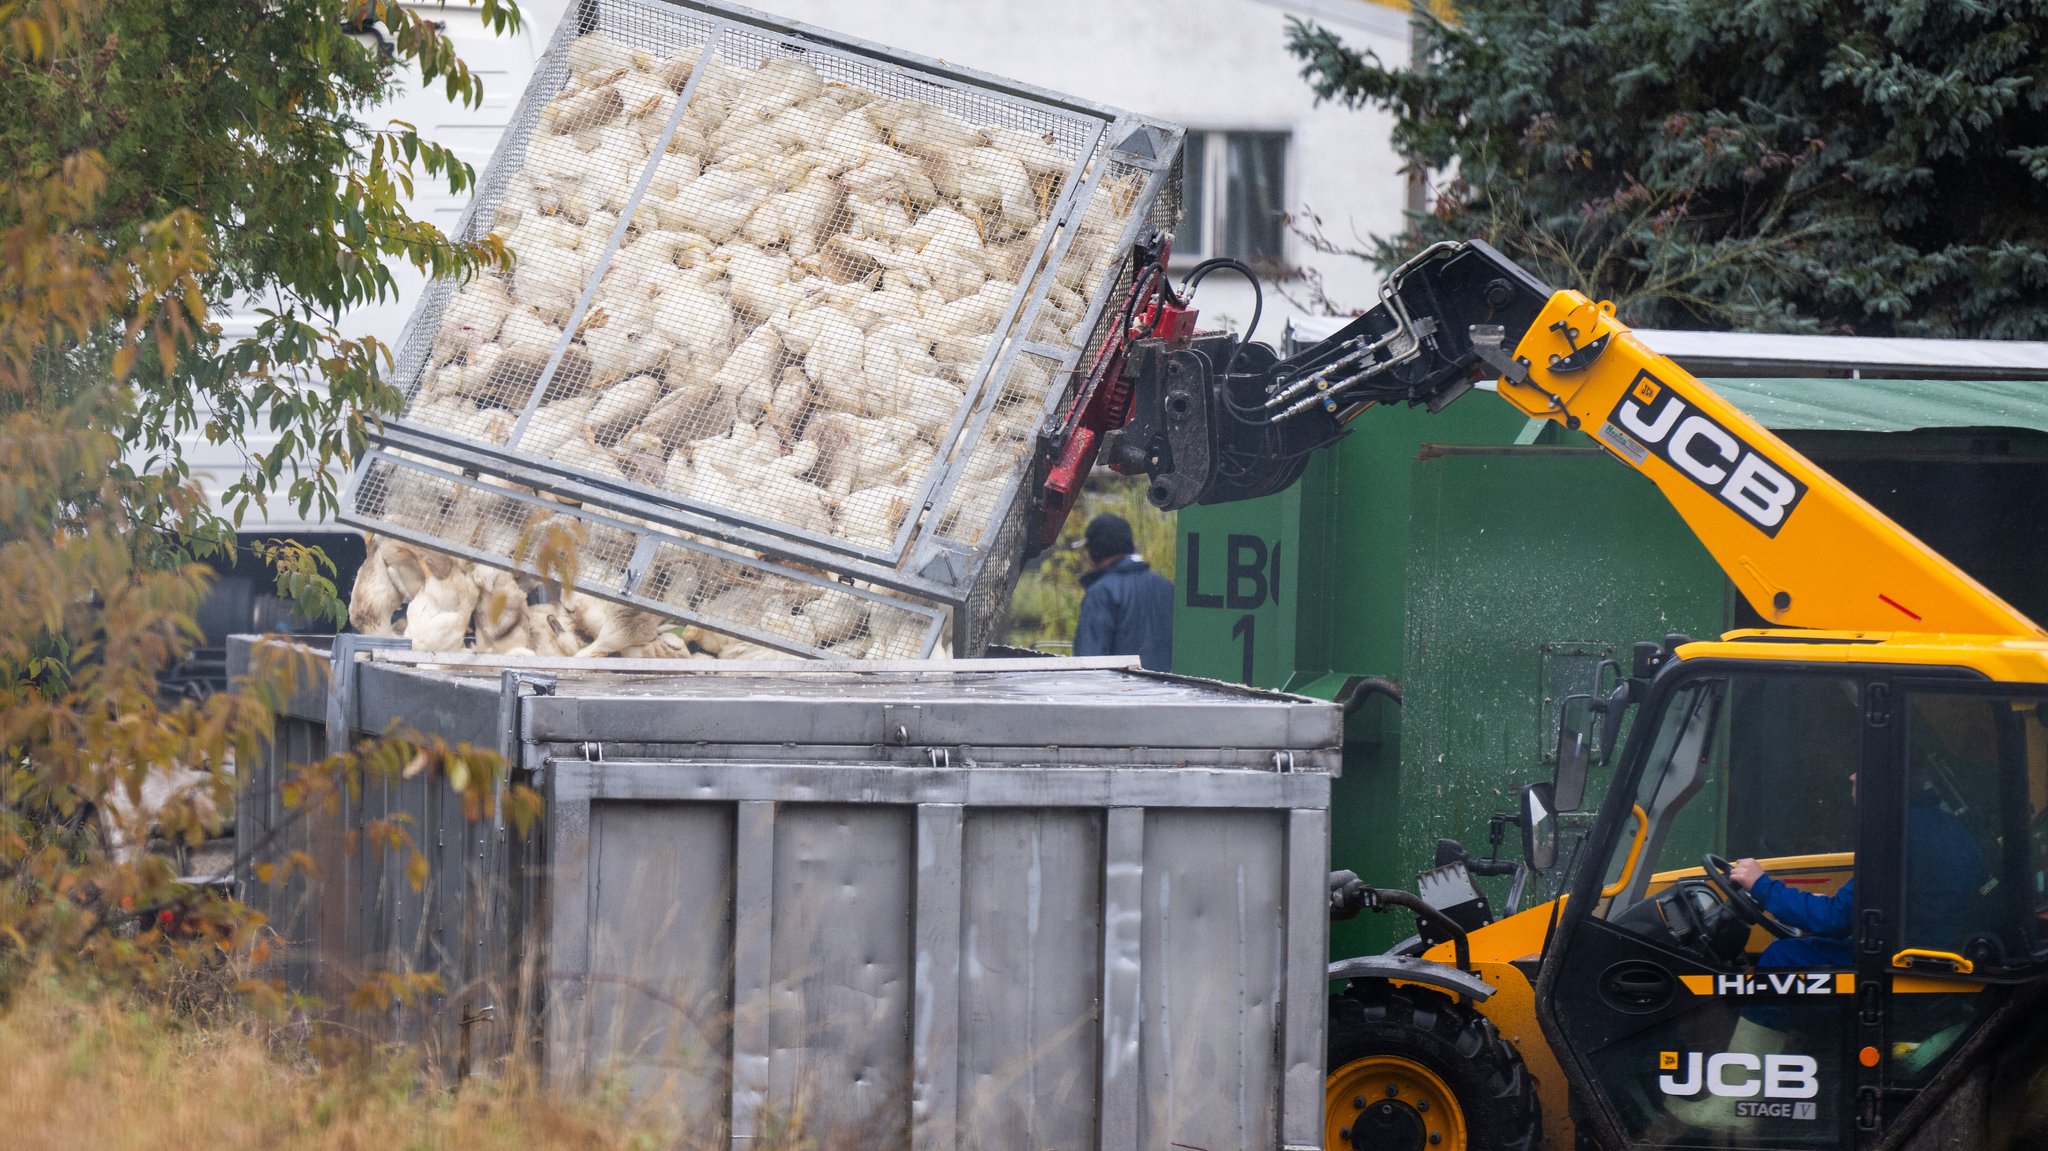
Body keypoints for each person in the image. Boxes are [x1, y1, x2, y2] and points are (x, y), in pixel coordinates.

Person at [1073, 513, 1174, 671]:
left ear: (1095, 551)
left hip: (1122, 694)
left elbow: (1088, 661)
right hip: (1172, 692)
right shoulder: (1167, 587)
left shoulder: (1101, 592)